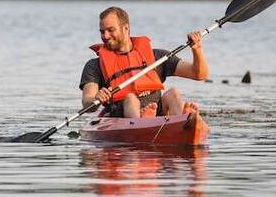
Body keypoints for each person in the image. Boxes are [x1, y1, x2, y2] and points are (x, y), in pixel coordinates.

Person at [80, 6, 208, 118]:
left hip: (155, 109)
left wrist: (197, 49)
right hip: (123, 112)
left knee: (173, 93)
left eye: (110, 30)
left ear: (125, 28)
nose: (105, 36)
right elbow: (87, 101)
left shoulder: (157, 57)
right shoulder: (94, 65)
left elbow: (199, 74)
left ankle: (182, 121)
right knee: (131, 99)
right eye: (102, 31)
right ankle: (142, 121)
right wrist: (96, 99)